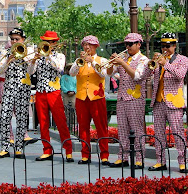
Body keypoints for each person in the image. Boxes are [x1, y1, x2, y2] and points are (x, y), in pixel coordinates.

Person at [148, 32, 188, 173]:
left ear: (175, 45)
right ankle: (160, 161)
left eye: (168, 46)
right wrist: (151, 65)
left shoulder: (182, 59)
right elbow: (149, 75)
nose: (165, 49)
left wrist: (166, 64)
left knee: (178, 133)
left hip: (173, 102)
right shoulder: (159, 59)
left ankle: (182, 162)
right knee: (158, 134)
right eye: (163, 45)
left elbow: (180, 75)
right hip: (159, 102)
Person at [108, 33, 150, 168]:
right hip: (121, 98)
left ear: (139, 44)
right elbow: (109, 73)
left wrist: (122, 63)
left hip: (135, 98)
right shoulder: (124, 58)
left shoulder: (144, 60)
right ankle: (123, 157)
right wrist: (111, 62)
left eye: (130, 44)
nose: (127, 47)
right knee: (122, 129)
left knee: (137, 129)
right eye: (126, 44)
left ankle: (139, 158)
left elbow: (137, 76)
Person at [29, 30, 73, 162]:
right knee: (42, 122)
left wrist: (48, 55)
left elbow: (59, 68)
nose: (47, 44)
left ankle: (68, 149)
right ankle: (46, 150)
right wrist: (33, 61)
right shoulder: (39, 56)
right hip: (41, 91)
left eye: (49, 42)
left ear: (55, 43)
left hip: (54, 91)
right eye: (45, 41)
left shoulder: (59, 56)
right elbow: (30, 72)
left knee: (60, 121)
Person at [0, 28, 35, 159]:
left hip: (23, 88)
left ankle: (18, 148)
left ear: (23, 40)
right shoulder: (5, 52)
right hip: (9, 87)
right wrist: (8, 60)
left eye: (16, 39)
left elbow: (32, 71)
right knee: (4, 116)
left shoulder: (28, 52)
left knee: (22, 117)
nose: (13, 41)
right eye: (12, 39)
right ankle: (5, 147)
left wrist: (31, 60)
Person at [70, 35, 109, 165]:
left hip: (97, 97)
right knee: (83, 127)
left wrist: (91, 61)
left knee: (101, 127)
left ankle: (104, 155)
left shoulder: (102, 60)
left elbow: (103, 74)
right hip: (82, 97)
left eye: (90, 45)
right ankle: (85, 154)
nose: (87, 47)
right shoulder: (79, 60)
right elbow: (72, 73)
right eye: (85, 45)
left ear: (96, 46)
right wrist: (79, 61)